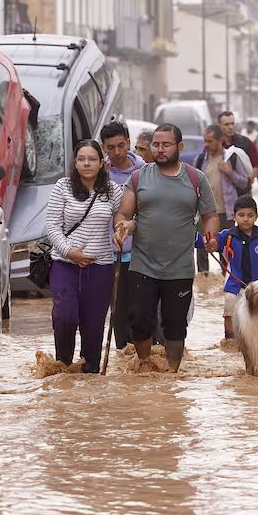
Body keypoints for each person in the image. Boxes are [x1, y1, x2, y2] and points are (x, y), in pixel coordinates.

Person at [114, 124, 220, 373]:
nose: (160, 150)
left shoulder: (195, 179)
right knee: (139, 321)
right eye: (156, 145)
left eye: (166, 145)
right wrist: (122, 228)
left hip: (179, 268)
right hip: (143, 265)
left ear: (179, 147)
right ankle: (145, 367)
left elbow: (210, 215)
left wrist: (211, 235)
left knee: (175, 326)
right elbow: (124, 213)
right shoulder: (139, 177)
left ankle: (172, 375)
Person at [46, 140, 123, 373]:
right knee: (64, 316)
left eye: (92, 159)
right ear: (75, 162)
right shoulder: (62, 187)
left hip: (101, 268)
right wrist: (69, 252)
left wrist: (120, 232)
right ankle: (63, 367)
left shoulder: (113, 191)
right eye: (81, 159)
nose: (86, 163)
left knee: (94, 327)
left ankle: (89, 374)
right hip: (64, 264)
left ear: (101, 163)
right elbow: (52, 226)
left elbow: (123, 218)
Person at [198, 195, 258, 347]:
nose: (246, 219)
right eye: (241, 215)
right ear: (234, 217)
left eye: (250, 215)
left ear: (257, 216)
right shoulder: (228, 236)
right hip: (235, 285)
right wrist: (199, 239)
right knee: (229, 307)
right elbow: (209, 243)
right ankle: (230, 340)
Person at [100, 121, 145, 351]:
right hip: (110, 255)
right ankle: (123, 359)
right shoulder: (99, 175)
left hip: (141, 255)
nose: (117, 152)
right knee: (117, 314)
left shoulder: (144, 172)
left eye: (121, 145)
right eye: (110, 147)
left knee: (141, 312)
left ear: (128, 143)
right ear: (104, 148)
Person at [194, 124, 249, 273]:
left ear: (221, 140)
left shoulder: (232, 158)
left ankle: (227, 281)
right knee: (202, 250)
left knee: (227, 251)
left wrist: (230, 172)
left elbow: (244, 182)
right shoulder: (199, 160)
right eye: (205, 140)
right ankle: (204, 285)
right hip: (205, 213)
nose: (206, 144)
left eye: (210, 141)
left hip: (227, 213)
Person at [217, 111, 258, 193]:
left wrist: (247, 180)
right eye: (226, 124)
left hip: (242, 192)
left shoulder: (246, 143)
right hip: (222, 192)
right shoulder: (215, 144)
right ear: (219, 126)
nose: (230, 127)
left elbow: (257, 167)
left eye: (232, 124)